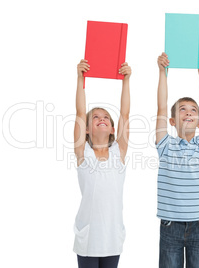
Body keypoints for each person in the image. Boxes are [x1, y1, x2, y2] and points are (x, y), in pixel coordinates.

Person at [155, 52, 199, 268]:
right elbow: (161, 108)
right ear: (173, 121)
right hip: (170, 225)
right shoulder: (166, 145)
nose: (188, 113)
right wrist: (162, 73)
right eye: (182, 110)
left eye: (193, 111)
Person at [73, 59, 131, 268]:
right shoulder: (83, 153)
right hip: (88, 238)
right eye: (95, 116)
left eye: (106, 116)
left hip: (112, 237)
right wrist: (81, 78)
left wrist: (126, 81)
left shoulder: (118, 153)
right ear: (87, 129)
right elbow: (80, 113)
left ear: (113, 129)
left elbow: (124, 114)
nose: (102, 118)